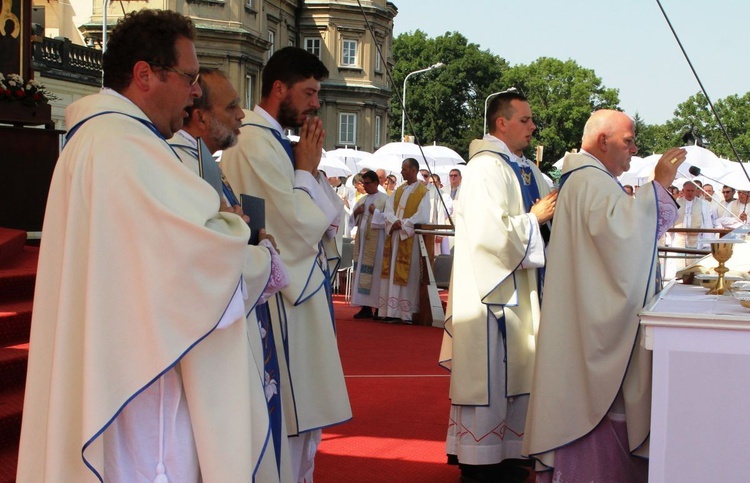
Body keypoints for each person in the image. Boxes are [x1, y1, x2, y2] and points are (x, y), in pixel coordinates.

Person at [16, 9, 286, 482]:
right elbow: (199, 262)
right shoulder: (125, 148)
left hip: (118, 366)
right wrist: (257, 254)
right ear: (145, 75)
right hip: (142, 392)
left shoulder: (96, 140)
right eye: (190, 77)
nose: (196, 91)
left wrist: (221, 227)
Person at [523, 109, 686, 482]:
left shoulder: (588, 179)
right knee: (595, 403)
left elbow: (621, 235)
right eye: (628, 141)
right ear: (602, 141)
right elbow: (625, 236)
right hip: (590, 322)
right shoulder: (588, 181)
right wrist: (658, 185)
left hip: (583, 313)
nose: (634, 148)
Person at [221, 46, 351, 482]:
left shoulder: (279, 142)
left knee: (302, 428)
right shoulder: (254, 144)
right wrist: (305, 173)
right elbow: (293, 227)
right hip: (282, 301)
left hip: (301, 295)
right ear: (280, 89)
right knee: (289, 420)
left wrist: (308, 172)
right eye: (310, 92)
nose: (317, 102)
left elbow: (331, 217)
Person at [167, 68, 293, 480]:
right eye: (232, 105)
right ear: (201, 117)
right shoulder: (182, 164)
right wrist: (262, 248)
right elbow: (208, 256)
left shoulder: (202, 161)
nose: (242, 115)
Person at [439, 89, 556, 483]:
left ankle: (507, 454)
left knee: (518, 371)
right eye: (525, 120)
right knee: (492, 371)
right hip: (492, 297)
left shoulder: (522, 168)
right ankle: (480, 460)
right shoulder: (487, 168)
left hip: (520, 292)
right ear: (501, 123)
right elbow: (490, 237)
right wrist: (534, 219)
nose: (533, 126)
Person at [378, 157, 431, 323]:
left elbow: (422, 215)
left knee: (407, 274)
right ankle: (390, 311)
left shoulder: (423, 192)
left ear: (414, 171)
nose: (401, 172)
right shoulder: (398, 190)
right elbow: (388, 209)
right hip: (395, 236)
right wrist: (394, 222)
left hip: (408, 237)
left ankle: (405, 313)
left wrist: (403, 224)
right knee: (392, 271)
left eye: (405, 169)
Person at [350, 170, 388, 319]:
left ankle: (379, 308)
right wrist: (356, 212)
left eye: (367, 183)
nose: (364, 186)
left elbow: (388, 219)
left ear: (376, 183)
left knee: (377, 275)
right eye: (363, 183)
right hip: (363, 244)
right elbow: (352, 221)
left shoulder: (385, 199)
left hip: (378, 244)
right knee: (363, 275)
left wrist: (376, 212)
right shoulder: (363, 200)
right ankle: (365, 307)